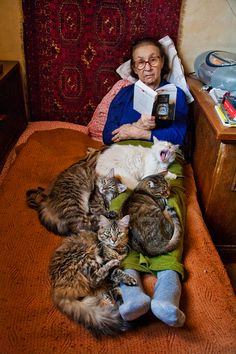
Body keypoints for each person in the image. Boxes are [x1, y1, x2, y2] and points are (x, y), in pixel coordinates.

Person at [103, 37, 189, 327]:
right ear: (133, 67)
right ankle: (132, 292)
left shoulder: (174, 93)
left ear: (163, 62)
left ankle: (167, 288)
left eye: (153, 59)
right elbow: (106, 136)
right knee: (117, 207)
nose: (147, 66)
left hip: (162, 155)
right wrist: (128, 128)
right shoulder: (124, 95)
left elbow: (179, 137)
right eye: (140, 61)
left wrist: (144, 134)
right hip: (127, 158)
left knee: (168, 204)